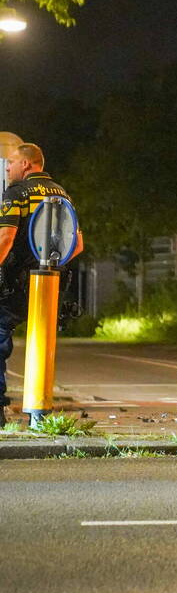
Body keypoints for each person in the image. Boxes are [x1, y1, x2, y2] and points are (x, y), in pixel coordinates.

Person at [0, 143, 84, 423]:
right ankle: (39, 417)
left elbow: (6, 238)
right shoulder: (63, 194)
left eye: (11, 162)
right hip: (48, 284)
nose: (8, 168)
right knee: (41, 344)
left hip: (13, 285)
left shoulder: (17, 193)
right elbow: (77, 243)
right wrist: (49, 265)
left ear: (26, 164)